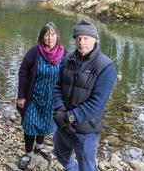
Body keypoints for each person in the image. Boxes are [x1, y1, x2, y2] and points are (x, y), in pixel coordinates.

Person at [52, 18, 117, 171]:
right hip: (63, 124)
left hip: (86, 130)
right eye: (78, 38)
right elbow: (57, 87)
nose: (81, 42)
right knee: (60, 155)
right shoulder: (67, 59)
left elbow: (97, 103)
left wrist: (71, 116)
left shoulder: (105, 67)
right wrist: (60, 109)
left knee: (87, 167)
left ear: (95, 39)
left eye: (86, 38)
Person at [16, 22, 66, 169]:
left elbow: (70, 75)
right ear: (42, 36)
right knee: (30, 124)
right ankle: (28, 153)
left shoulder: (65, 54)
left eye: (53, 34)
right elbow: (23, 72)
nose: (50, 38)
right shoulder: (34, 52)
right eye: (47, 34)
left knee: (45, 123)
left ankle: (39, 145)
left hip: (52, 99)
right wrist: (21, 96)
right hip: (34, 97)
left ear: (57, 36)